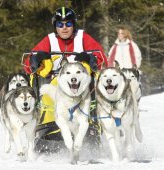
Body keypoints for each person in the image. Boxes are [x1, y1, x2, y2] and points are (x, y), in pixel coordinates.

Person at [23, 7, 108, 153]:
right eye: (60, 24)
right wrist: (35, 60)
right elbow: (27, 64)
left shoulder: (82, 38)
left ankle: (90, 124)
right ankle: (49, 124)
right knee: (50, 94)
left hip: (82, 85)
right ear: (55, 26)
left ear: (73, 25)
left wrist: (90, 59)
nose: (64, 28)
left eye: (68, 24)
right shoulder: (49, 40)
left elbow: (102, 59)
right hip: (57, 81)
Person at [108, 26, 142, 102]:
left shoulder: (132, 45)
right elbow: (110, 57)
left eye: (122, 33)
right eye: (118, 33)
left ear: (125, 34)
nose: (119, 35)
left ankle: (133, 104)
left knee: (132, 91)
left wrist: (135, 68)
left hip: (130, 71)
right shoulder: (115, 46)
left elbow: (138, 56)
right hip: (119, 71)